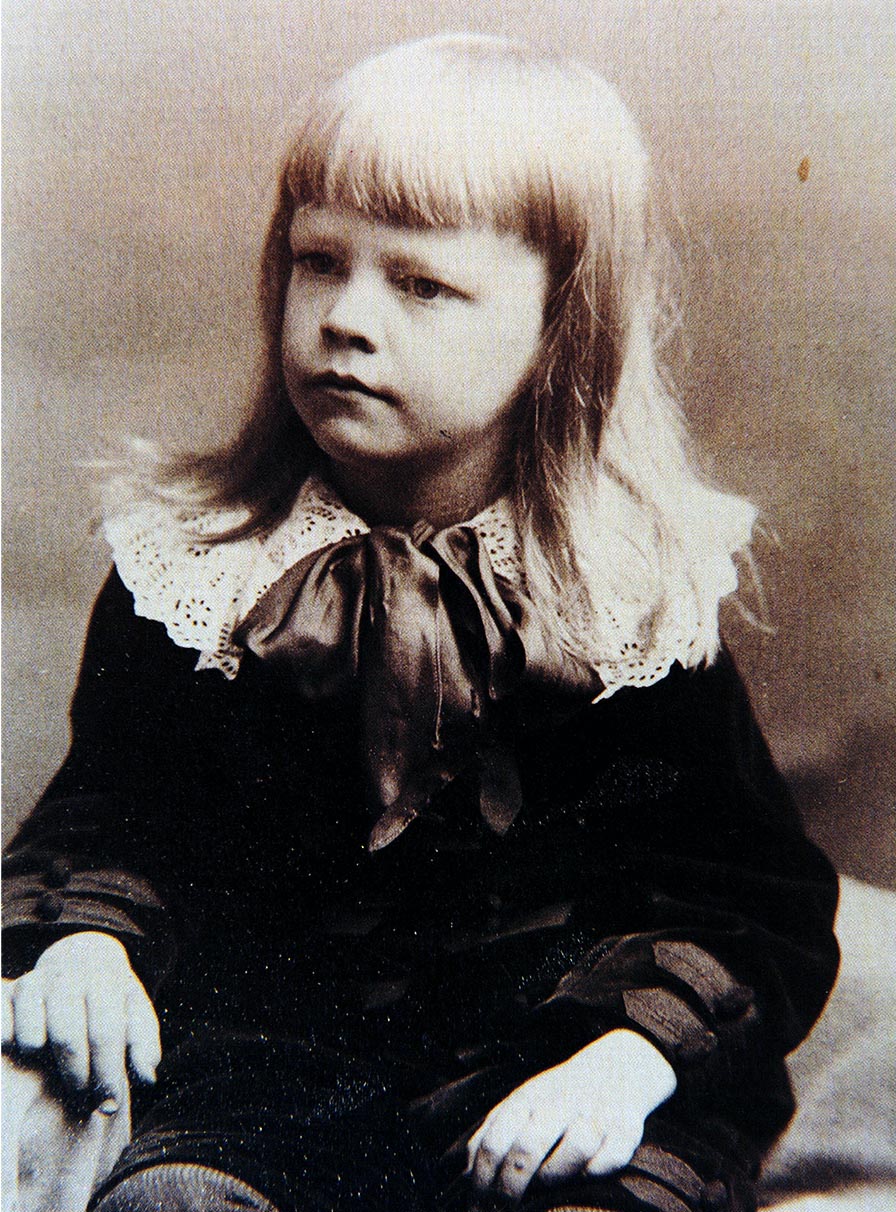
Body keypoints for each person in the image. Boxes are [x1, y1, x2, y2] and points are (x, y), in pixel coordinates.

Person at [2, 33, 839, 1212]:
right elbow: (113, 808)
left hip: (551, 1072)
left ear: (560, 326)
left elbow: (743, 894)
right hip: (267, 1072)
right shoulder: (202, 566)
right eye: (317, 260)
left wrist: (627, 1060)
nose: (345, 317)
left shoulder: (628, 588)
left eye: (419, 283)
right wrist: (88, 942)